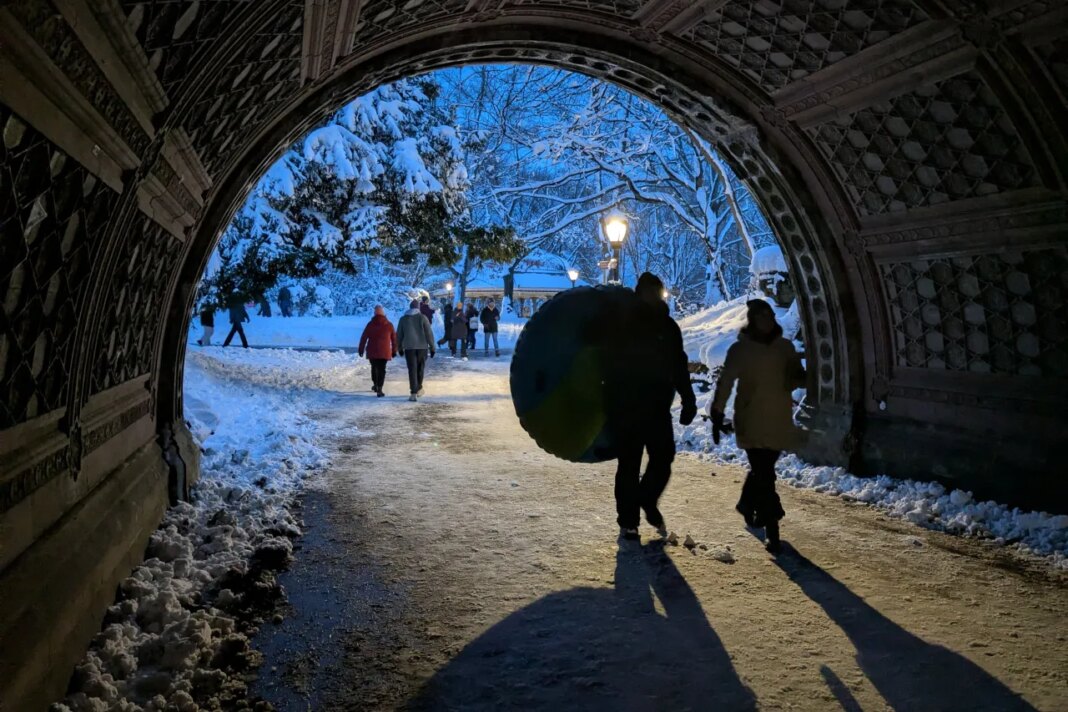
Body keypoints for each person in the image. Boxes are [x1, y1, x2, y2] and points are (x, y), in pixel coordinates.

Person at [600, 272, 696, 541]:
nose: (655, 296)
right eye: (650, 292)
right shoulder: (623, 324)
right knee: (629, 465)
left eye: (658, 291)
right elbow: (606, 363)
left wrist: (688, 399)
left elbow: (679, 364)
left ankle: (646, 498)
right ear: (640, 293)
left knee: (663, 459)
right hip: (627, 407)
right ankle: (628, 521)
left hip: (656, 407)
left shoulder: (668, 327)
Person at [709, 298, 806, 555]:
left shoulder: (784, 348)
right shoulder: (740, 350)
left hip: (778, 421)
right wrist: (716, 412)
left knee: (762, 470)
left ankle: (746, 502)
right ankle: (772, 529)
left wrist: (799, 377)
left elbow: (797, 376)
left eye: (769, 316)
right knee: (765, 475)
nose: (766, 320)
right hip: (750, 421)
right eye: (761, 317)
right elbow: (726, 382)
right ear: (753, 320)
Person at [398, 299, 436, 401]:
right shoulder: (423, 318)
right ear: (418, 308)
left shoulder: (403, 319)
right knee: (420, 368)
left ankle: (413, 392)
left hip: (409, 348)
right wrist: (432, 347)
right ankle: (418, 388)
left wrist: (399, 347)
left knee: (412, 369)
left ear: (410, 307)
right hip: (422, 347)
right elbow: (429, 333)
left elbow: (399, 335)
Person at [358, 305, 398, 397]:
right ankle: (380, 388)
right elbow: (394, 339)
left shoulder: (370, 324)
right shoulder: (389, 324)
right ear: (383, 314)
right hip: (384, 351)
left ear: (374, 314)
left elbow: (364, 337)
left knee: (374, 367)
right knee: (382, 369)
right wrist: (394, 350)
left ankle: (375, 384)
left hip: (372, 351)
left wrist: (361, 349)